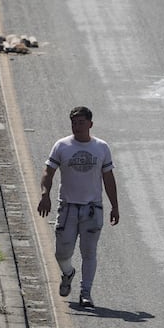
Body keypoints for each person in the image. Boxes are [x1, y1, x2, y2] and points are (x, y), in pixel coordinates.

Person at [38, 105, 120, 309]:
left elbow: (108, 178)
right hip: (67, 209)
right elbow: (49, 172)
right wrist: (45, 195)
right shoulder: (62, 146)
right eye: (74, 123)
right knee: (61, 253)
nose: (77, 126)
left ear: (90, 124)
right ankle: (68, 273)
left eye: (81, 122)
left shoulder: (101, 147)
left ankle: (86, 293)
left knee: (89, 252)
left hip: (93, 209)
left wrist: (114, 206)